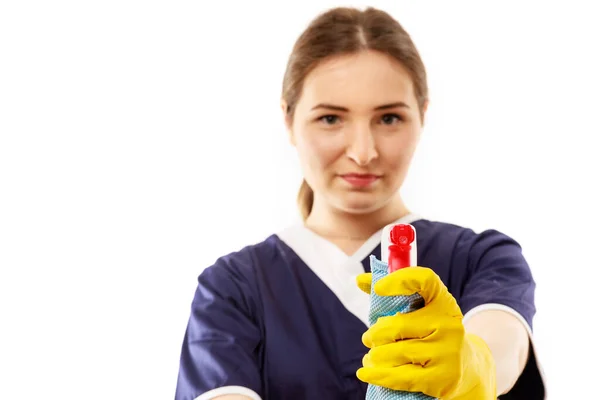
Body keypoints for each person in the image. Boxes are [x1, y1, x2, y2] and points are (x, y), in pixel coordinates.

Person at [175, 6, 546, 400]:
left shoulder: (480, 259)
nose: (363, 152)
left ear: (422, 116)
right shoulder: (234, 287)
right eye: (331, 119)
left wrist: (473, 364)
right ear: (288, 119)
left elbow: (503, 348)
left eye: (388, 119)